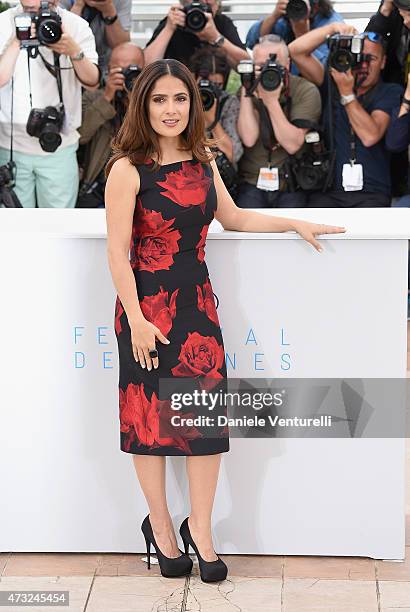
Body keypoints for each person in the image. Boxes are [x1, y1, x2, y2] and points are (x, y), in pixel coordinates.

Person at [104, 57, 345, 582]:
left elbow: (232, 218)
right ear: (144, 104)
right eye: (160, 99)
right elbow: (117, 254)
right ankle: (162, 528)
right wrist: (139, 320)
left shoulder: (203, 160)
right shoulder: (127, 168)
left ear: (193, 103)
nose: (171, 109)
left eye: (180, 98)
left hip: (196, 305)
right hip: (145, 308)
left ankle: (203, 531)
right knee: (149, 422)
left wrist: (293, 222)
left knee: (203, 423)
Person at [289, 23, 403, 206]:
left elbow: (370, 136)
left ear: (383, 62)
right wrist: (333, 28)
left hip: (371, 191)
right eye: (358, 58)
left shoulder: (389, 92)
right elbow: (295, 51)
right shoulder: (332, 83)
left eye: (371, 59)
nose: (363, 65)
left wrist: (347, 94)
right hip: (328, 190)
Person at [0, 0, 99, 208]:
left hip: (60, 144)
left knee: (59, 227)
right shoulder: (4, 22)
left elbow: (92, 82)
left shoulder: (75, 25)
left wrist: (74, 52)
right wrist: (18, 40)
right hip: (11, 146)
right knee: (16, 230)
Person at [236, 37, 322, 208]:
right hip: (253, 182)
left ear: (288, 65)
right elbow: (248, 138)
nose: (269, 71)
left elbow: (292, 144)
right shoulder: (248, 90)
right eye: (262, 66)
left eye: (275, 65)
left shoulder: (305, 90)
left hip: (291, 183)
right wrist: (247, 89)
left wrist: (271, 101)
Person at [77, 42, 144, 207]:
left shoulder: (155, 100)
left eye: (132, 69)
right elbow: (81, 136)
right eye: (119, 69)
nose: (126, 74)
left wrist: (134, 99)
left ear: (144, 69)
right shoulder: (93, 97)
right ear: (108, 69)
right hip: (101, 186)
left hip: (143, 185)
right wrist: (107, 97)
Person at [246, 0, 343, 73]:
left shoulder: (332, 26)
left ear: (316, 4)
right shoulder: (285, 18)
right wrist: (274, 16)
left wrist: (303, 37)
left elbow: (325, 72)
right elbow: (252, 42)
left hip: (315, 92)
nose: (297, 7)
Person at [143, 0, 249, 67]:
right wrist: (169, 29)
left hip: (215, 95)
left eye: (207, 3)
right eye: (196, 1)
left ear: (217, 5)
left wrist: (216, 37)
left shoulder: (222, 23)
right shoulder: (173, 23)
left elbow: (246, 65)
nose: (202, 2)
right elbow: (146, 66)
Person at [60, 0, 131, 76]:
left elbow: (122, 46)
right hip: (70, 64)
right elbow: (60, 39)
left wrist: (109, 10)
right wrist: (78, 6)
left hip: (106, 66)